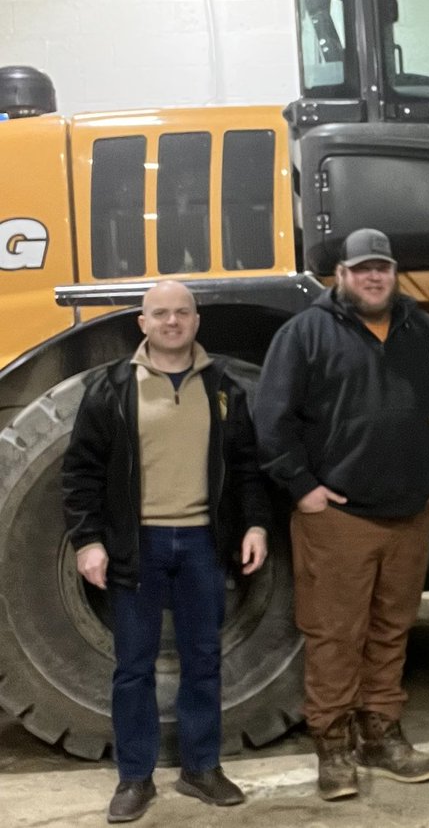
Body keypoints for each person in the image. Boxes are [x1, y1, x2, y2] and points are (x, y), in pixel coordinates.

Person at [254, 228, 429, 800]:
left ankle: (381, 733)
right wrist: (304, 490)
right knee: (334, 635)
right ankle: (333, 746)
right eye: (361, 269)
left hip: (410, 514)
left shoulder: (426, 333)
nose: (373, 278)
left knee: (390, 631)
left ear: (393, 272)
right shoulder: (303, 335)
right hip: (338, 520)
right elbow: (273, 421)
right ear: (341, 275)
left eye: (382, 268)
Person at [62, 281, 270, 823]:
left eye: (182, 312)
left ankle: (202, 768)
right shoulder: (111, 388)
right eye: (160, 314)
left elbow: (247, 466)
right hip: (139, 547)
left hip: (204, 542)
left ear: (196, 321)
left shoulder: (224, 387)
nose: (172, 322)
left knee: (204, 659)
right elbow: (80, 473)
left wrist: (254, 525)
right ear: (143, 324)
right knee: (133, 667)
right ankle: (135, 778)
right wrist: (88, 540)